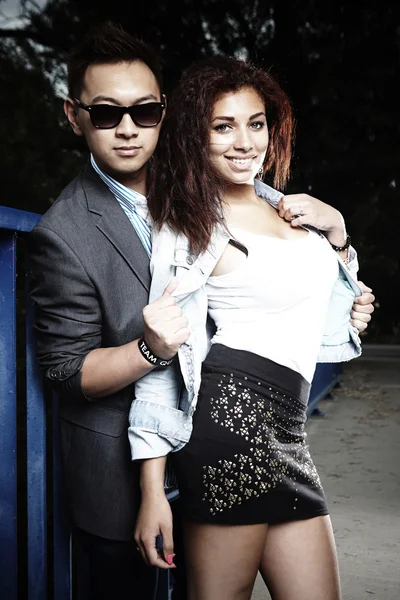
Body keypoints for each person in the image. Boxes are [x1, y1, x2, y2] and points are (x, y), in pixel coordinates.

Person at [128, 56, 374, 600]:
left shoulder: (287, 208)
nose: (244, 142)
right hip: (229, 427)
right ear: (197, 137)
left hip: (288, 431)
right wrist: (151, 490)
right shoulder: (190, 227)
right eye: (223, 126)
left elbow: (321, 316)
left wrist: (338, 237)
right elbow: (164, 356)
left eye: (255, 123)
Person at [28, 22, 190, 600]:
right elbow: (67, 372)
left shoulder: (194, 189)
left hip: (207, 452)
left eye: (144, 112)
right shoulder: (62, 233)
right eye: (105, 114)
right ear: (74, 116)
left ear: (163, 112)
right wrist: (149, 350)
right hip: (117, 477)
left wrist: (339, 243)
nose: (127, 128)